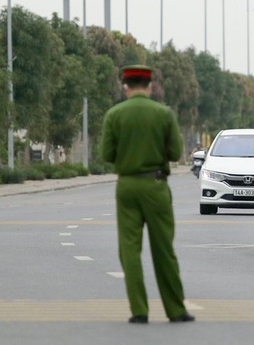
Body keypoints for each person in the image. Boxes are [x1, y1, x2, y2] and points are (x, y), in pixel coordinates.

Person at [100, 64, 194, 324]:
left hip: (127, 185)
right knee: (163, 248)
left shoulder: (114, 114)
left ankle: (139, 310)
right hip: (155, 185)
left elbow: (106, 155)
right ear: (150, 86)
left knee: (129, 250)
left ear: (125, 86)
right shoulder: (163, 114)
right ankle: (175, 310)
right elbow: (176, 153)